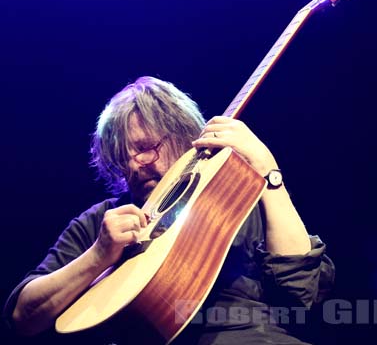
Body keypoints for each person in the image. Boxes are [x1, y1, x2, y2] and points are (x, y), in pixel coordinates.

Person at [4, 76, 334, 344]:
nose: (135, 165)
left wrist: (269, 174)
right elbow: (23, 316)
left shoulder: (238, 195)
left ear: (185, 135)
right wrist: (98, 255)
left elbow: (305, 290)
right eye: (122, 157)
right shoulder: (100, 223)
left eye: (145, 148)